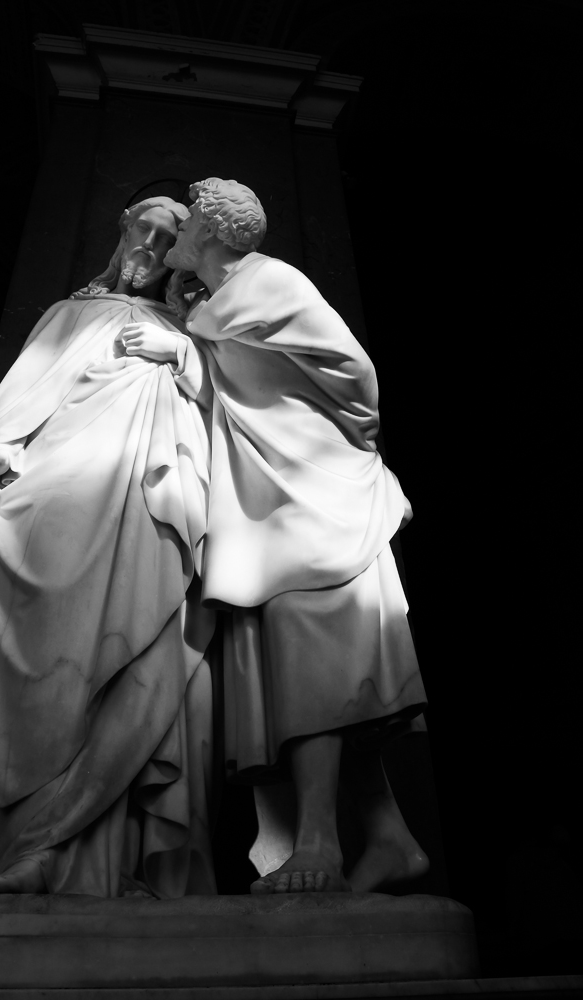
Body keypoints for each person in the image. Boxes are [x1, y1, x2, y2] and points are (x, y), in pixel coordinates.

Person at [0, 197, 218, 899]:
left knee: (142, 653)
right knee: (56, 677)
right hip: (61, 502)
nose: (150, 245)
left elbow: (239, 413)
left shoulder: (192, 332)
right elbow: (28, 403)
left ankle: (112, 863)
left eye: (167, 238)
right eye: (141, 229)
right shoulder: (68, 314)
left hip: (149, 508)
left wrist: (184, 353)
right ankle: (32, 847)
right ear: (121, 231)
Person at [160, 177, 430, 894]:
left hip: (311, 494)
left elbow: (355, 372)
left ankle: (318, 844)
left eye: (186, 221)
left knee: (313, 660)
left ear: (211, 230)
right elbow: (226, 387)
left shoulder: (266, 283)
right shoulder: (218, 306)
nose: (176, 230)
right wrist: (189, 329)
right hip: (271, 502)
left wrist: (347, 445)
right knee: (306, 665)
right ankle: (388, 837)